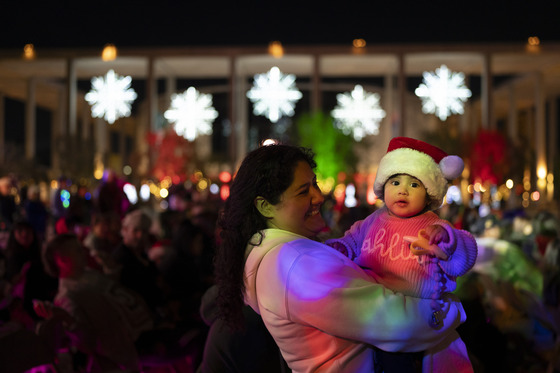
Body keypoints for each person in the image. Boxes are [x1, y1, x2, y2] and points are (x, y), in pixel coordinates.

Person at [213, 143, 467, 373]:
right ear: (265, 206)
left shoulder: (283, 256)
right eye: (303, 192)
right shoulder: (294, 263)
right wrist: (450, 309)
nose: (318, 197)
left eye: (315, 184)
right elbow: (395, 322)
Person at [326, 137, 478, 372]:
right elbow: (352, 239)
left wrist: (447, 239)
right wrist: (341, 248)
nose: (403, 190)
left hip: (415, 318)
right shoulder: (373, 220)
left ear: (429, 194)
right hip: (374, 311)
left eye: (414, 185)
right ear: (382, 187)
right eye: (395, 181)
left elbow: (465, 255)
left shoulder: (433, 225)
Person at [34, 233, 142, 372]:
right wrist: (67, 319)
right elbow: (86, 343)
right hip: (116, 361)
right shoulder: (67, 296)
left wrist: (110, 268)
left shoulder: (88, 274)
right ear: (62, 260)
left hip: (131, 344)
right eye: (78, 250)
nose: (85, 251)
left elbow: (114, 293)